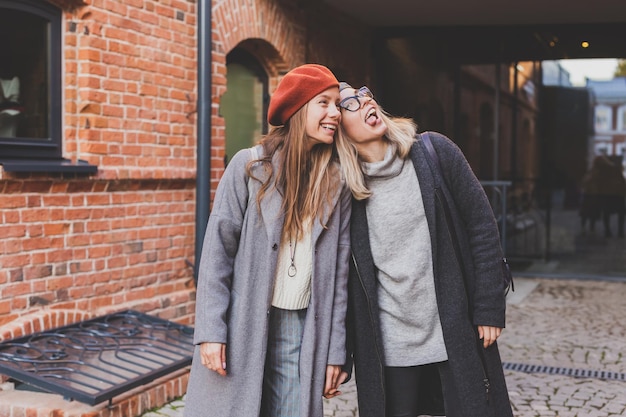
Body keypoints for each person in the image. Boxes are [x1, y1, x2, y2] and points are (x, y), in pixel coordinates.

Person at [335, 82, 514, 417]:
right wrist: (340, 354)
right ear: (337, 128)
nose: (366, 101)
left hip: (454, 331)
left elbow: (482, 226)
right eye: (350, 103)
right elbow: (341, 280)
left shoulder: (434, 153)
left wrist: (489, 306)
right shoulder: (343, 192)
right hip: (390, 348)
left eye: (365, 94)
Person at [184, 64, 353, 417]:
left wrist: (336, 350)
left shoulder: (336, 183)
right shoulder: (249, 169)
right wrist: (211, 331)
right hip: (243, 321)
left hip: (302, 328)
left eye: (336, 104)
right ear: (298, 109)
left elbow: (339, 277)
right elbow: (217, 255)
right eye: (324, 103)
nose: (334, 113)